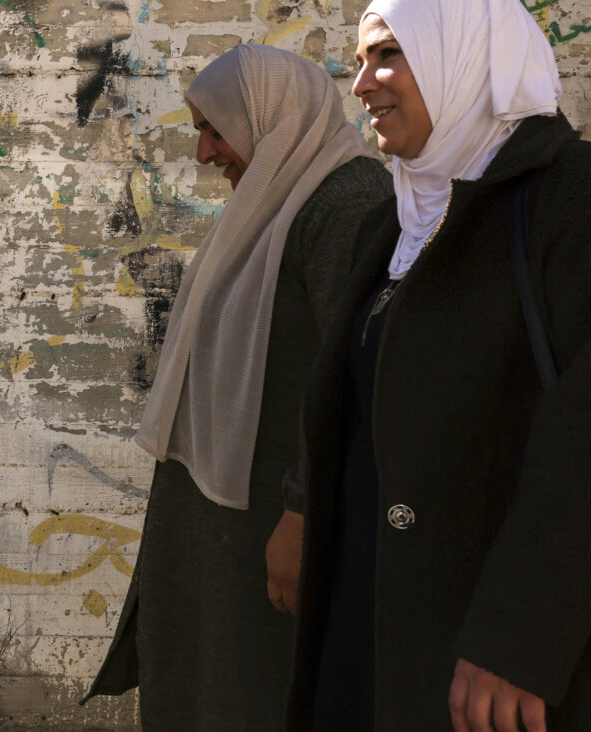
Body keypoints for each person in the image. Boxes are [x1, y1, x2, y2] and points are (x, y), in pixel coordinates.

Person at [273, 0, 591, 729]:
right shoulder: (390, 223)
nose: (362, 83)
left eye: (387, 55)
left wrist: (521, 637)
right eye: (358, 62)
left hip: (490, 657)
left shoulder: (569, 200)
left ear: (466, 55)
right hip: (370, 625)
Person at [83, 44, 392, 729]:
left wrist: (304, 513)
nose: (203, 154)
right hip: (218, 527)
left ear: (272, 120)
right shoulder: (272, 201)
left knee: (256, 696)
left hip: (272, 529)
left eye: (215, 130)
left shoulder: (348, 205)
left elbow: (359, 376)